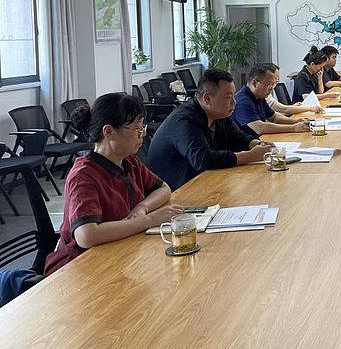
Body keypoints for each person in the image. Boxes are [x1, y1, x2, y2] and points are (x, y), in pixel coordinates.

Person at [44, 93, 183, 275]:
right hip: (79, 269)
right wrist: (149, 220)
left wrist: (142, 207)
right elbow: (87, 235)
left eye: (142, 128)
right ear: (108, 132)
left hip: (121, 255)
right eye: (136, 129)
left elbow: (164, 189)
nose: (142, 135)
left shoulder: (129, 160)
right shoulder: (83, 176)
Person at [147, 69, 276, 190]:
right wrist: (251, 155)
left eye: (234, 96)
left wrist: (256, 144)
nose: (234, 102)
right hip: (177, 191)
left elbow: (237, 137)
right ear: (207, 98)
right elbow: (203, 160)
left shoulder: (219, 114)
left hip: (204, 181)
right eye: (228, 97)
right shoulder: (184, 121)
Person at [232, 63, 312, 136]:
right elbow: (260, 128)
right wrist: (294, 128)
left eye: (274, 84)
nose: (272, 89)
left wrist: (296, 121)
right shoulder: (243, 101)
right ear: (254, 83)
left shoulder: (259, 96)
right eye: (269, 85)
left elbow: (273, 117)